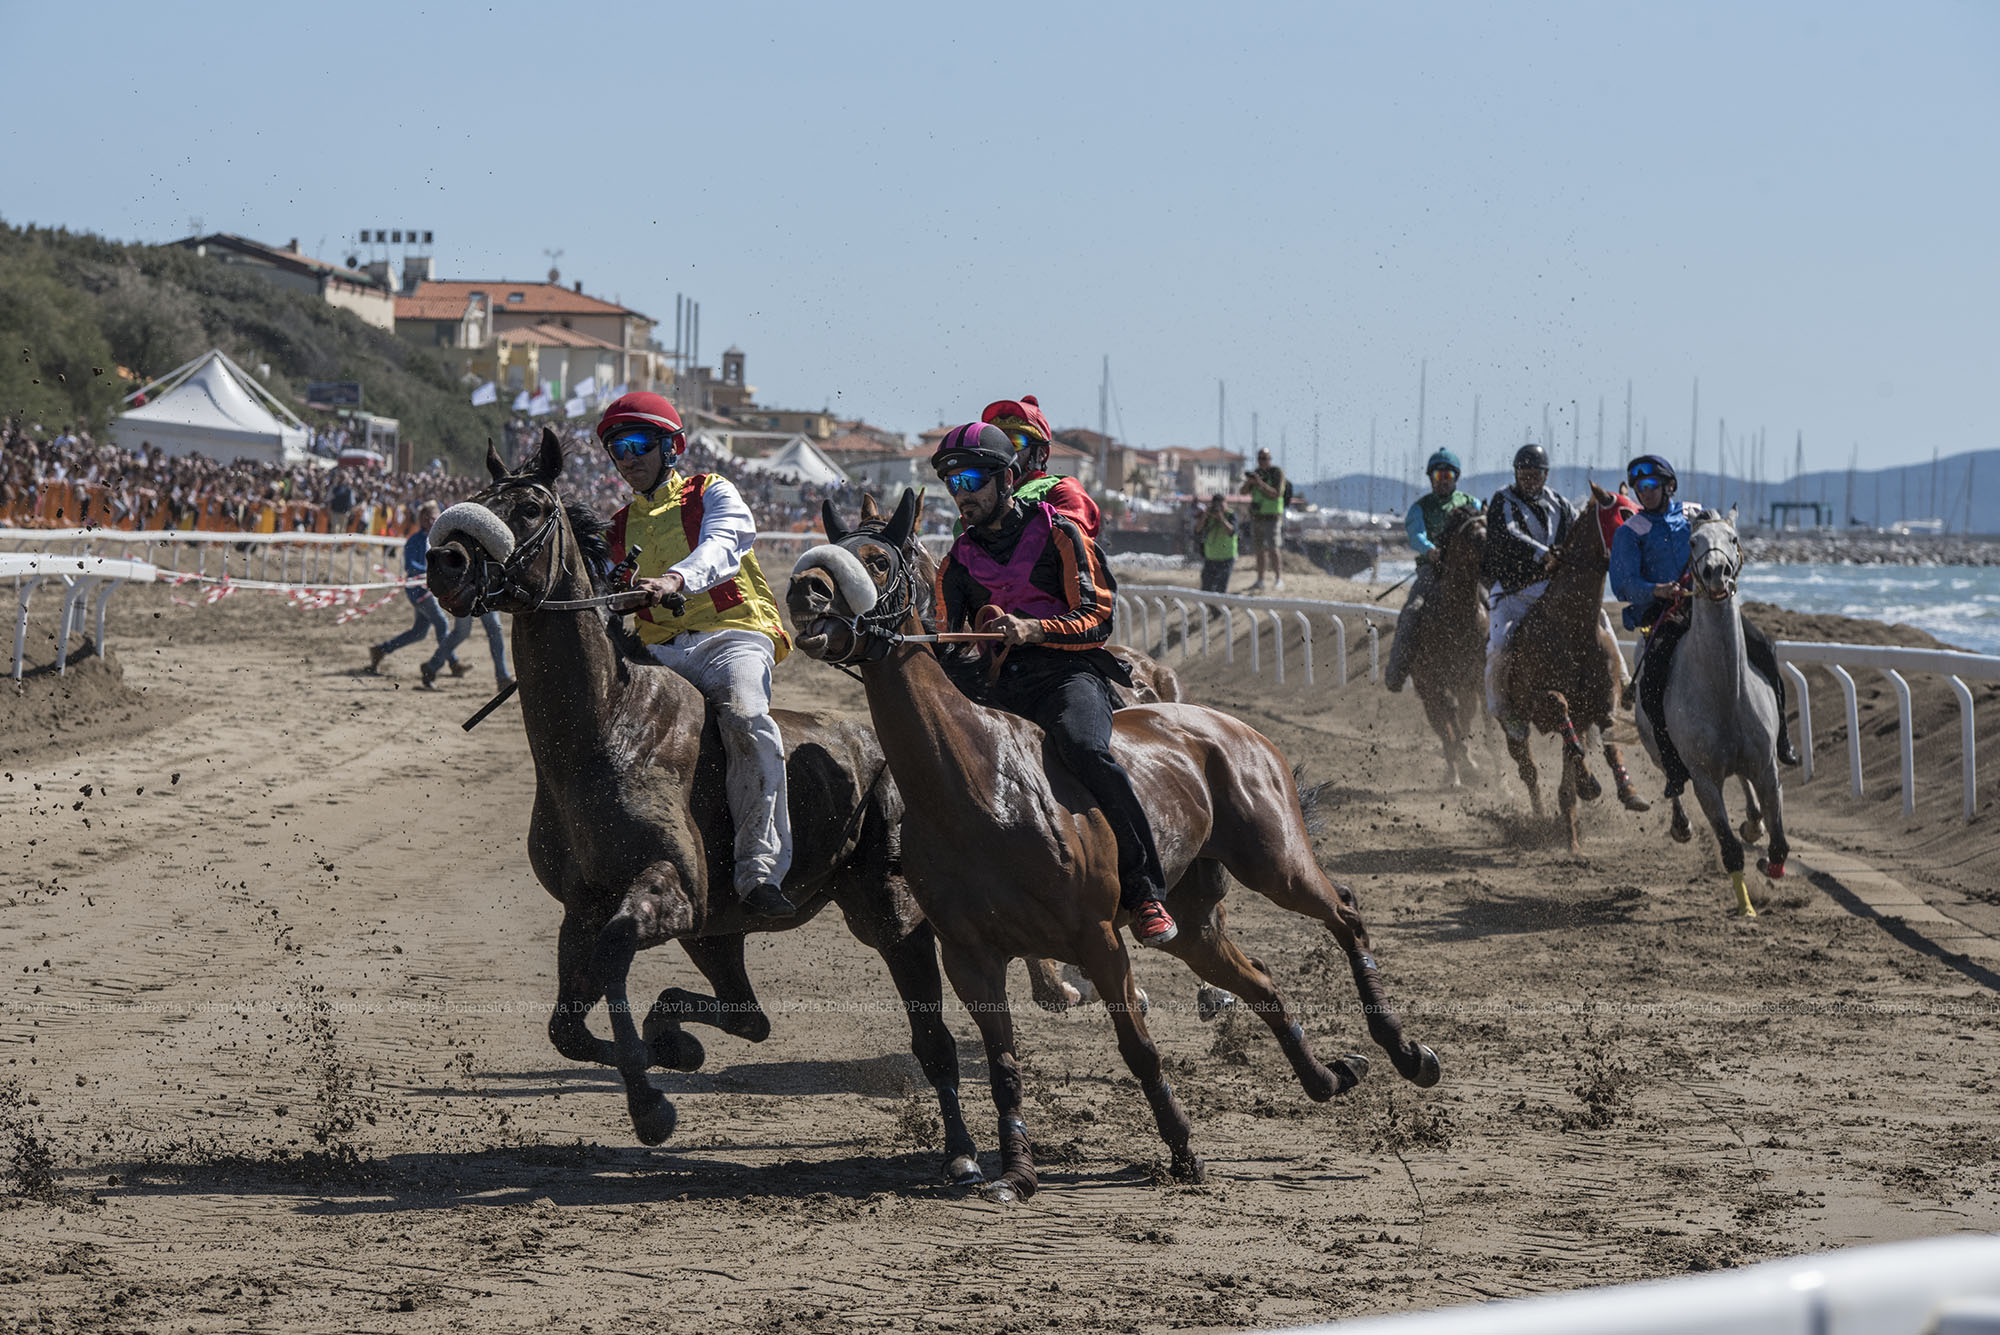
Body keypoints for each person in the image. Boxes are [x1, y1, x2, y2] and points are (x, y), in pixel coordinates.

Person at [931, 422, 1177, 948]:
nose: (962, 495)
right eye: (952, 484)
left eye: (971, 479)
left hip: (1068, 675)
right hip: (999, 685)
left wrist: (1034, 628)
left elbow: (1097, 618)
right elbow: (948, 643)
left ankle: (1145, 892)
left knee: (1085, 747)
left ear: (1006, 478)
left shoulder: (1061, 533)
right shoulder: (955, 562)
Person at [596, 391, 798, 918]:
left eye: (640, 443)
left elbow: (723, 546)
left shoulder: (712, 491)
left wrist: (672, 579)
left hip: (731, 637)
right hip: (659, 651)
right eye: (618, 449)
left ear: (673, 446)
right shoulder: (615, 528)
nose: (628, 457)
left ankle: (760, 870)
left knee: (746, 717)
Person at [1609, 454, 1800, 796]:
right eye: (1639, 487)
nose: (1644, 493)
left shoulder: (1697, 515)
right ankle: (1673, 766)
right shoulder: (1630, 531)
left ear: (1670, 486)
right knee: (1651, 687)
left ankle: (1782, 739)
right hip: (1665, 617)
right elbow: (1622, 583)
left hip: (1710, 608)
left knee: (1765, 651)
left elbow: (1725, 544)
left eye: (1651, 486)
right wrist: (1656, 589)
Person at [1479, 443, 1576, 736]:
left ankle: (1620, 682)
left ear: (1546, 475)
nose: (1530, 479)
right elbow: (1509, 533)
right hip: (1513, 595)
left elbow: (1577, 533)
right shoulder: (1502, 500)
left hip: (1551, 592)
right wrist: (1543, 554)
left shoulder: (1561, 504)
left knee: (1599, 622)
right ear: (1516, 473)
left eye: (1536, 474)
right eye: (1524, 473)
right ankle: (1502, 708)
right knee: (1498, 645)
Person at [1385, 449, 1481, 693]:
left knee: (1497, 604)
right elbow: (1416, 535)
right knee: (1412, 609)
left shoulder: (1472, 504)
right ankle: (1397, 671)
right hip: (1432, 571)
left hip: (1470, 573)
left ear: (1456, 477)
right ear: (1431, 478)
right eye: (1438, 475)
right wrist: (1430, 550)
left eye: (1447, 474)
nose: (1443, 479)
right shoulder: (1421, 507)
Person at [367, 501, 460, 687]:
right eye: (426, 517)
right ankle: (452, 662)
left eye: (433, 517)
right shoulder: (414, 540)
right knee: (441, 622)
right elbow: (411, 566)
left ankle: (381, 650)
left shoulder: (440, 540)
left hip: (430, 589)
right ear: (420, 519)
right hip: (418, 591)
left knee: (419, 632)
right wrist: (432, 571)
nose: (430, 521)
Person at [979, 395, 1101, 536]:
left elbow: (1073, 545)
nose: (1004, 452)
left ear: (1040, 453)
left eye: (1015, 443)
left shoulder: (1061, 490)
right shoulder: (976, 497)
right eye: (996, 444)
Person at [1245, 448, 1286, 591]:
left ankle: (1278, 579)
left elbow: (1277, 493)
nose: (1262, 461)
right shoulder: (1257, 473)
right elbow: (1243, 492)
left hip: (1272, 516)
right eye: (1260, 458)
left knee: (1273, 548)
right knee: (1259, 550)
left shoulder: (1276, 473)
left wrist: (1260, 483)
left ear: (1270, 459)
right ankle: (1260, 580)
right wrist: (1250, 482)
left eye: (1265, 458)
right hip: (1257, 517)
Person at [1197, 493, 1238, 593]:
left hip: (1226, 558)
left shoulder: (1230, 515)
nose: (1218, 508)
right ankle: (1211, 607)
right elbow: (1198, 530)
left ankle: (1220, 607)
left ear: (1226, 504)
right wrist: (1205, 515)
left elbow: (1231, 531)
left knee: (1221, 588)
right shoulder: (1208, 516)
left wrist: (1221, 518)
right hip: (1210, 558)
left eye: (1221, 505)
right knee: (1206, 589)